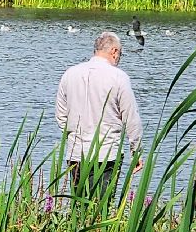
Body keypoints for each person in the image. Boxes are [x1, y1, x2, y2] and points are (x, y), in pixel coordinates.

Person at [54, 31, 143, 203]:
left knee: (79, 207)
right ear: (114, 51)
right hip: (107, 154)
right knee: (102, 207)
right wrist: (136, 150)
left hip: (76, 153)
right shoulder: (118, 77)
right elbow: (131, 117)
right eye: (120, 54)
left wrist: (75, 135)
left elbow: (61, 116)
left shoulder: (70, 74)